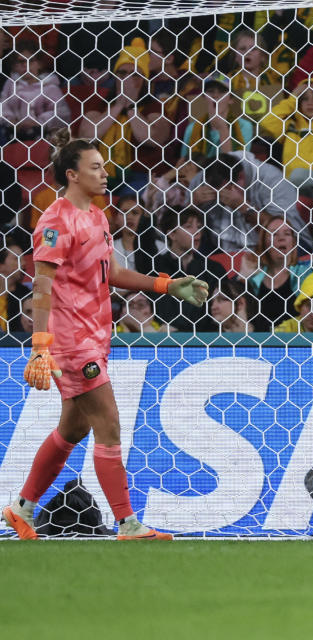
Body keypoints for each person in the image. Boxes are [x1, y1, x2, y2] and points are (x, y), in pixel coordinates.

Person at [1, 131, 208, 540]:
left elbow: (110, 274)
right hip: (70, 341)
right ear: (73, 175)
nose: (105, 173)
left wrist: (166, 285)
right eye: (95, 167)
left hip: (97, 335)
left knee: (73, 430)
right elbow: (41, 285)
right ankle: (127, 523)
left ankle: (20, 507)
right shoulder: (54, 221)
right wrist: (40, 347)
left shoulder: (96, 216)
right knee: (109, 424)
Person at [77, 37, 171, 194]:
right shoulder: (99, 105)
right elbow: (87, 136)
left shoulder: (155, 107)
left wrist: (131, 107)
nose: (127, 78)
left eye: (135, 74)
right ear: (115, 77)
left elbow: (151, 138)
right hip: (100, 174)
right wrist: (118, 106)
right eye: (122, 73)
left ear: (145, 80)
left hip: (140, 176)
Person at [190, 152, 311, 253]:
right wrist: (193, 204)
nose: (220, 197)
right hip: (222, 249)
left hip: (272, 248)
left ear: (241, 178)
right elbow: (183, 224)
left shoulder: (271, 179)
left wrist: (243, 206)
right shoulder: (202, 179)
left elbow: (283, 232)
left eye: (224, 191)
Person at [152, 208, 228, 332]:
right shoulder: (156, 266)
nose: (197, 231)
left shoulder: (213, 268)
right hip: (165, 338)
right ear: (172, 234)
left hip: (205, 339)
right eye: (188, 226)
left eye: (198, 226)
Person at [246, 216, 313, 332]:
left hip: (295, 341)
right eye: (274, 234)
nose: (281, 238)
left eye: (287, 234)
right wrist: (243, 277)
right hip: (259, 343)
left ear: (293, 242)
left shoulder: (306, 273)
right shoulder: (253, 277)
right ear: (264, 243)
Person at [180, 73, 254, 159]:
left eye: (222, 92)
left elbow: (237, 164)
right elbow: (184, 163)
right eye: (210, 91)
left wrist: (222, 127)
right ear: (204, 97)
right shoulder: (192, 128)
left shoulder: (244, 126)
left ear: (231, 99)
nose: (215, 96)